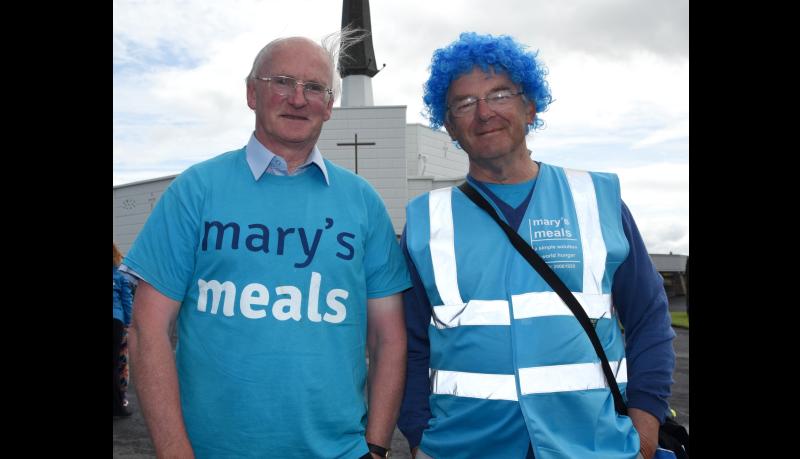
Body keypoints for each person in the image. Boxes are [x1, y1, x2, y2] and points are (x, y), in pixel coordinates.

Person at [121, 32, 411, 458]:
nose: (298, 98)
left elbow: (389, 338)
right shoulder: (196, 190)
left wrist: (377, 446)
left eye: (314, 87)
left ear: (329, 106)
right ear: (252, 93)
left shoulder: (363, 202)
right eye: (282, 82)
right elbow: (148, 329)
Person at [397, 32, 676, 459]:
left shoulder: (596, 199)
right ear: (449, 126)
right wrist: (419, 436)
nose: (484, 112)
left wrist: (646, 426)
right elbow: (407, 344)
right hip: (465, 449)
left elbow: (649, 317)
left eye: (499, 94)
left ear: (530, 108)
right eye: (464, 103)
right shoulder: (425, 220)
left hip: (592, 447)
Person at [113, 243, 133, 418]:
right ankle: (119, 406)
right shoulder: (120, 276)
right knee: (118, 364)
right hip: (116, 322)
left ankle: (118, 405)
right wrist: (128, 324)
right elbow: (127, 302)